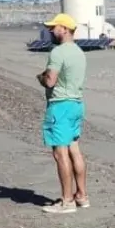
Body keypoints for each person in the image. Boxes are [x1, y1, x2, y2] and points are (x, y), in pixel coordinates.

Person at [36, 13, 88, 214]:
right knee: (74, 148)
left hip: (60, 105)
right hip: (76, 103)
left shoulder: (58, 52)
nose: (51, 30)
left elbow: (50, 80)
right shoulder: (79, 52)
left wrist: (40, 77)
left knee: (60, 152)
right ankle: (81, 195)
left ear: (64, 29)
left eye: (54, 27)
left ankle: (67, 201)